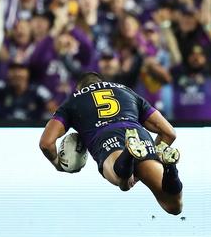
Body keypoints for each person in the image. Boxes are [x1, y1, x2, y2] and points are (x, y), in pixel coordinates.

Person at [39, 72, 183, 215]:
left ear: (79, 89)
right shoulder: (127, 91)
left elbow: (46, 143)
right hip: (139, 134)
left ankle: (128, 153)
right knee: (174, 205)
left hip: (106, 137)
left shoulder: (73, 101)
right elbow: (169, 133)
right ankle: (170, 167)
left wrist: (58, 164)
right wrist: (154, 155)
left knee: (121, 181)